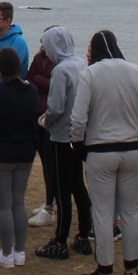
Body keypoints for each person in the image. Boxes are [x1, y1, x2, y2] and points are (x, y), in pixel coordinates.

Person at [69, 30, 138, 275]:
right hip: (132, 150)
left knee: (102, 211)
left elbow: (78, 118)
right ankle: (131, 269)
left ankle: (105, 272)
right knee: (131, 210)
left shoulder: (90, 74)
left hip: (100, 151)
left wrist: (78, 144)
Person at [34, 26, 93, 260]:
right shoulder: (79, 64)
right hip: (77, 135)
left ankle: (60, 241)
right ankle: (83, 236)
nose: (46, 51)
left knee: (61, 189)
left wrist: (45, 121)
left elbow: (56, 106)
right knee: (78, 185)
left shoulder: (60, 70)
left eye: (47, 46)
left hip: (59, 136)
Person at [0, 47, 38, 268]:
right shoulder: (31, 90)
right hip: (25, 152)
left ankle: (6, 254)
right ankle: (20, 251)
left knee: (4, 205)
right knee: (18, 202)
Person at [26, 32, 58, 228]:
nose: (42, 46)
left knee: (51, 162)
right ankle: (50, 201)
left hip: (50, 117)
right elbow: (29, 79)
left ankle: (51, 206)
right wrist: (40, 80)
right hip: (36, 114)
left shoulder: (60, 64)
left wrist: (39, 80)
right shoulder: (39, 58)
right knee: (44, 161)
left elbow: (55, 84)